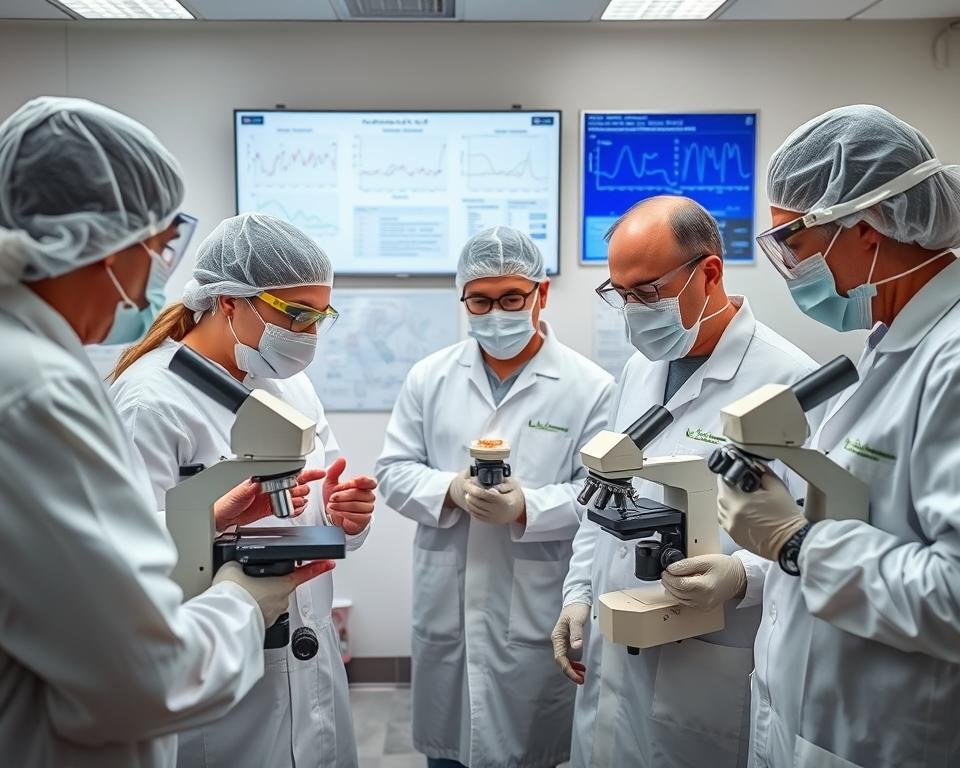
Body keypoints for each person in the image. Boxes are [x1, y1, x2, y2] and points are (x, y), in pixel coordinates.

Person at [0, 96, 333, 768]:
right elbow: (150, 676)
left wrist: (197, 524)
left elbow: (75, 561)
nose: (157, 276)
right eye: (154, 249)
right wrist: (245, 596)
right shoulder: (38, 390)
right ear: (102, 246)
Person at [709, 105, 960, 768]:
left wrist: (796, 542)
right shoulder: (890, 340)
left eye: (791, 242)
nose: (788, 265)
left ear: (868, 228)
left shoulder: (953, 361)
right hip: (814, 723)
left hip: (889, 739)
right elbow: (870, 530)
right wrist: (764, 562)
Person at [554, 196, 823, 768]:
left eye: (647, 292)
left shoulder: (789, 382)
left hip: (710, 655)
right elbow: (600, 493)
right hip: (618, 632)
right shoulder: (639, 367)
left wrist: (743, 577)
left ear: (710, 272)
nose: (633, 310)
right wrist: (578, 593)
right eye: (620, 295)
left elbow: (819, 538)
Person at [110, 212, 377, 768]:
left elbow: (310, 506)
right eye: (295, 314)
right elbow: (117, 559)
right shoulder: (150, 402)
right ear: (228, 301)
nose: (308, 335)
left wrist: (343, 515)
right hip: (218, 665)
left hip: (309, 655)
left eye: (319, 316)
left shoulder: (290, 385)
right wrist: (207, 519)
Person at [375, 226, 615, 768]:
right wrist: (449, 489)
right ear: (463, 299)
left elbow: (602, 495)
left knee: (534, 750)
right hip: (449, 599)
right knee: (450, 751)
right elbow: (392, 471)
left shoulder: (590, 386)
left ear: (542, 294)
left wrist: (527, 507)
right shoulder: (429, 377)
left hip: (536, 598)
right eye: (480, 300)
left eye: (512, 298)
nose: (496, 312)